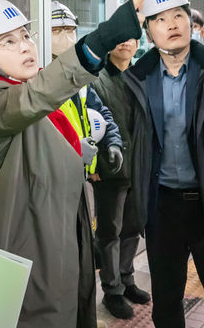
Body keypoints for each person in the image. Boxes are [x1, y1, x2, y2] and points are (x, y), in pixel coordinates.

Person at [0, 0, 148, 328]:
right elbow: (35, 97)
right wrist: (103, 39)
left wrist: (76, 155)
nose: (25, 46)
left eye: (25, 36)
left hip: (61, 247)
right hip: (26, 258)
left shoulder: (33, 94)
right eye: (8, 42)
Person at [122, 0, 204, 328]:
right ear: (148, 32)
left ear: (191, 21)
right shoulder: (137, 79)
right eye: (160, 19)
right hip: (162, 208)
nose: (172, 24)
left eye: (178, 15)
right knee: (166, 304)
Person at [91, 38, 152, 319]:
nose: (126, 43)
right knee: (109, 232)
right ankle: (112, 290)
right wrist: (94, 165)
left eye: (132, 39)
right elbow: (90, 121)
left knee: (133, 228)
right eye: (120, 38)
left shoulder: (141, 76)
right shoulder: (97, 78)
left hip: (139, 167)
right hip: (110, 169)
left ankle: (127, 279)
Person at [50, 0, 123, 177]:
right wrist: (72, 148)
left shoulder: (78, 75)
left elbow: (101, 112)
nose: (66, 37)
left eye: (70, 30)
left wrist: (113, 142)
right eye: (57, 31)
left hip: (82, 173)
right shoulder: (38, 80)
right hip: (56, 174)